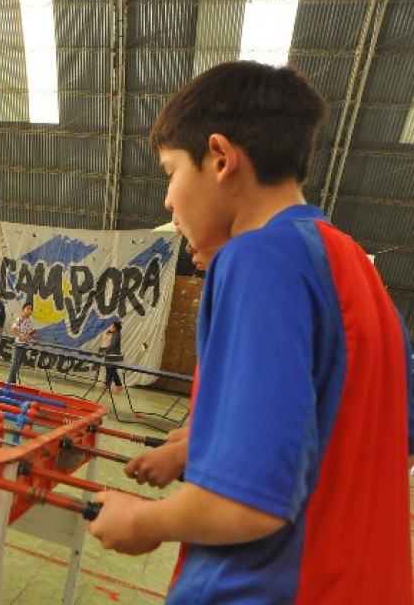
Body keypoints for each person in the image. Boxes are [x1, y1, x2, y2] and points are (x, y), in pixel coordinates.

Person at [88, 61, 414, 603]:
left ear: (220, 157)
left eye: (170, 171)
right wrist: (207, 444)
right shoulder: (354, 267)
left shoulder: (255, 259)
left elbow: (250, 504)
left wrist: (144, 521)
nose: (168, 200)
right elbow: (368, 438)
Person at [99, 319, 123, 394]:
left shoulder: (117, 335)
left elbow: (113, 345)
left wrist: (105, 351)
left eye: (112, 326)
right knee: (108, 369)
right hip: (111, 354)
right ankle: (107, 385)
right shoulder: (116, 332)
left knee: (112, 370)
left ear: (115, 328)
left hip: (114, 355)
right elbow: (111, 331)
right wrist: (108, 332)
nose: (111, 327)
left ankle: (119, 386)